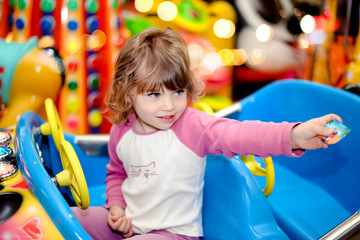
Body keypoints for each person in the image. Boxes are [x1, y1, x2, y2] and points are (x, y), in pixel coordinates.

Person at [72, 27, 342, 240]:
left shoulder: (192, 126)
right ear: (129, 91)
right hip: (129, 224)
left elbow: (243, 134)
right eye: (154, 94)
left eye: (177, 92)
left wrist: (294, 135)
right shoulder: (123, 130)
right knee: (66, 218)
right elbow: (116, 174)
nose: (169, 105)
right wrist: (116, 207)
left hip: (172, 234)